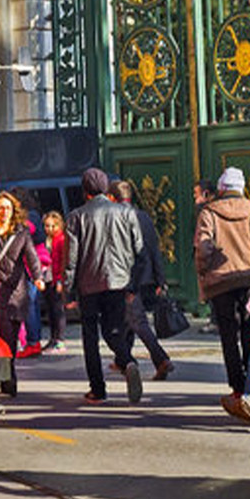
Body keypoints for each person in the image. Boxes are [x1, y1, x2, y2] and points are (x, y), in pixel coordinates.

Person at [65, 167, 145, 405]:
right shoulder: (126, 213)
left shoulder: (76, 217)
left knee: (90, 336)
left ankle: (97, 389)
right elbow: (139, 250)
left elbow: (71, 259)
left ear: (85, 190)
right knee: (113, 330)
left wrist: (68, 290)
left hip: (88, 284)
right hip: (119, 281)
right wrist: (133, 284)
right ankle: (127, 361)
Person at [195, 169, 250, 418]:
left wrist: (204, 270)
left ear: (221, 189)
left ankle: (237, 387)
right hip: (249, 279)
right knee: (249, 332)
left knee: (229, 336)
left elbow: (203, 248)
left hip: (221, 282)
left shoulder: (209, 212)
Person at [113, 180, 173, 380]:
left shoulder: (117, 218)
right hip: (146, 276)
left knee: (137, 320)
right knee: (126, 319)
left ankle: (161, 359)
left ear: (112, 198)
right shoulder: (144, 216)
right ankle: (123, 359)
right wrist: (160, 278)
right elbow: (154, 247)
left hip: (128, 278)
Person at [0, 191, 42, 398]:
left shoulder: (21, 233)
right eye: (0, 208)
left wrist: (38, 277)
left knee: (11, 339)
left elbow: (32, 256)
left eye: (7, 208)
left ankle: (8, 373)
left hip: (15, 293)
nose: (3, 212)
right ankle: (6, 377)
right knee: (0, 335)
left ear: (13, 211)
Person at [40, 210, 67, 350]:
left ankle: (60, 339)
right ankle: (53, 338)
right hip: (47, 277)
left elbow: (64, 261)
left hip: (57, 277)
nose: (49, 229)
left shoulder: (61, 240)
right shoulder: (46, 240)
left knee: (58, 309)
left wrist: (61, 280)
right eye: (47, 226)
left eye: (53, 226)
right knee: (50, 310)